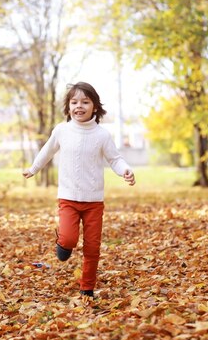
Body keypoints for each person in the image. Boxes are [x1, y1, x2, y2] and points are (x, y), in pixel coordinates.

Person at [23, 82, 135, 297]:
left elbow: (115, 159)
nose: (79, 106)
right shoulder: (62, 130)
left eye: (85, 102)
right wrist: (33, 168)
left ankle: (87, 288)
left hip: (93, 201)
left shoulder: (102, 135)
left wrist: (125, 171)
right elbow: (47, 151)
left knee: (92, 247)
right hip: (68, 198)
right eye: (74, 102)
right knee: (69, 240)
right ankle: (62, 243)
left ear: (94, 106)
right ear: (68, 106)